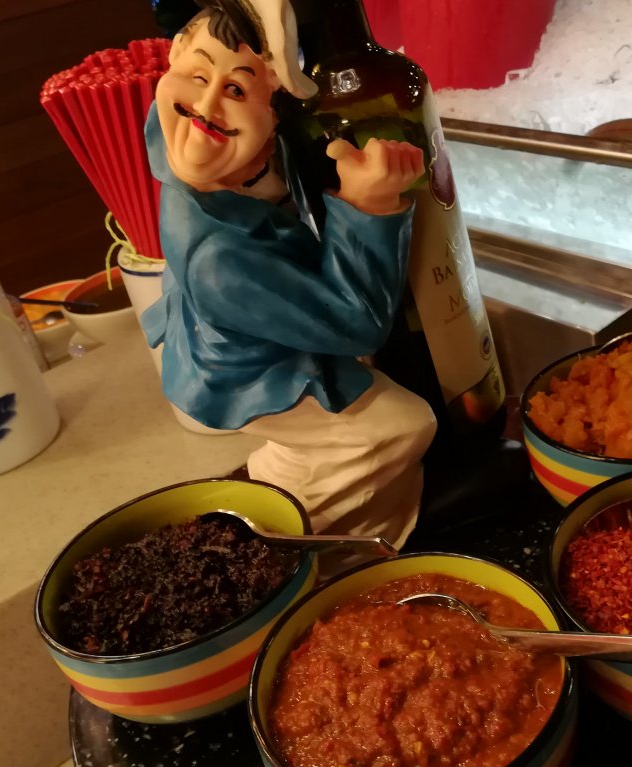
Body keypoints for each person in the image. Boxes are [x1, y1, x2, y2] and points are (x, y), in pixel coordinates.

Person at [141, 0, 437, 547]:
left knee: (351, 427)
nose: (204, 105)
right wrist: (370, 207)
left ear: (277, 114)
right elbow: (357, 324)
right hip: (245, 370)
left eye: (235, 90)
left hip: (241, 329)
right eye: (197, 75)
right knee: (400, 427)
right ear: (174, 62)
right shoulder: (217, 258)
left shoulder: (185, 139)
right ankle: (294, 541)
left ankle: (287, 477)